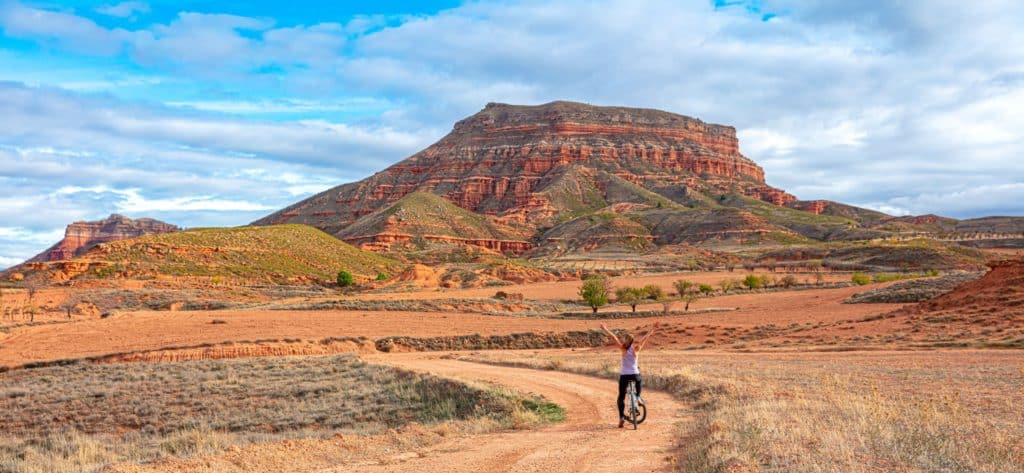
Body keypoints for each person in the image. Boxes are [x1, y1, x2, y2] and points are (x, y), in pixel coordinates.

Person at [600, 321, 660, 428]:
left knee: (621, 398)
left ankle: (621, 418)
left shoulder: (623, 349)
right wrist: (653, 328)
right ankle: (637, 397)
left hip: (624, 376)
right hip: (635, 374)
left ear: (625, 340)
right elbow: (645, 338)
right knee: (639, 382)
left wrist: (605, 329)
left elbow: (614, 338)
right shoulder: (636, 348)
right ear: (633, 341)